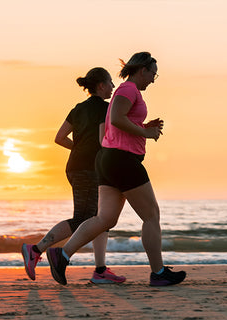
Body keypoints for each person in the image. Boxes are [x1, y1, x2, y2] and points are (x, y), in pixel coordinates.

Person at [46, 52, 186, 286]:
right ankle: (158, 273)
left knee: (105, 219)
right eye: (153, 73)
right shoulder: (128, 90)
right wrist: (145, 133)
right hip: (123, 160)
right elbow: (117, 119)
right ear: (142, 70)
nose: (153, 79)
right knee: (151, 215)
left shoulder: (124, 91)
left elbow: (116, 124)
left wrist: (142, 125)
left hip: (109, 160)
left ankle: (61, 255)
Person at [21, 67, 126, 284]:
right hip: (89, 169)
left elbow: (60, 138)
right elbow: (101, 141)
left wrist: (78, 150)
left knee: (101, 218)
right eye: (109, 83)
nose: (113, 87)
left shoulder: (78, 109)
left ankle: (100, 270)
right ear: (100, 86)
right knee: (84, 218)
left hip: (76, 166)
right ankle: (36, 249)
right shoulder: (105, 109)